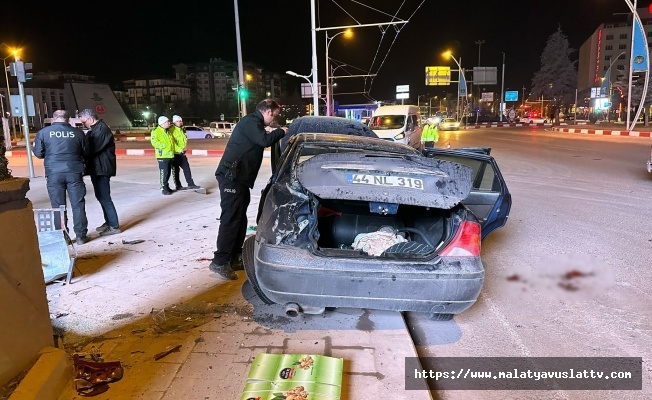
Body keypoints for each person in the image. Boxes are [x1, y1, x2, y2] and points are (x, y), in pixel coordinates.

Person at [209, 99, 288, 280]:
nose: (274, 119)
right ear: (267, 111)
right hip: (231, 178)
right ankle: (220, 262)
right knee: (230, 218)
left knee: (240, 219)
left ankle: (235, 257)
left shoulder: (255, 123)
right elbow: (263, 140)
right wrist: (281, 131)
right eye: (274, 115)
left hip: (240, 179)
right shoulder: (251, 121)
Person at [33, 110, 91, 244]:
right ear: (68, 120)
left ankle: (63, 237)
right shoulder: (78, 133)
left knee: (58, 206)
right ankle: (81, 236)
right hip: (74, 172)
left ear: (53, 119)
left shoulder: (43, 133)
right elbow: (86, 152)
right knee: (78, 204)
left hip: (54, 173)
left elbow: (39, 153)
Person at [78, 109, 121, 236]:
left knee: (105, 197)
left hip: (102, 168)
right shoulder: (95, 129)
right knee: (100, 196)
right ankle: (108, 222)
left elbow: (92, 149)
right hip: (97, 168)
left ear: (90, 119)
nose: (84, 125)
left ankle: (114, 226)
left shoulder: (102, 129)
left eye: (84, 122)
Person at [170, 115, 200, 190]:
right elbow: (172, 142)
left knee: (187, 169)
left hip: (182, 153)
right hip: (175, 154)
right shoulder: (172, 130)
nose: (179, 122)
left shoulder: (181, 129)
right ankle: (178, 185)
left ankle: (191, 184)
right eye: (177, 121)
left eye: (180, 121)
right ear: (174, 122)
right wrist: (179, 149)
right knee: (176, 171)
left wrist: (184, 148)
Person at [150, 116, 175, 195]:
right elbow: (154, 142)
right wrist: (164, 146)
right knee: (164, 172)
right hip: (162, 156)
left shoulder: (167, 131)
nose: (169, 123)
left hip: (169, 155)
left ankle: (166, 187)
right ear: (163, 123)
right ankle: (163, 188)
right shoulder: (156, 131)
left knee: (168, 172)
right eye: (167, 122)